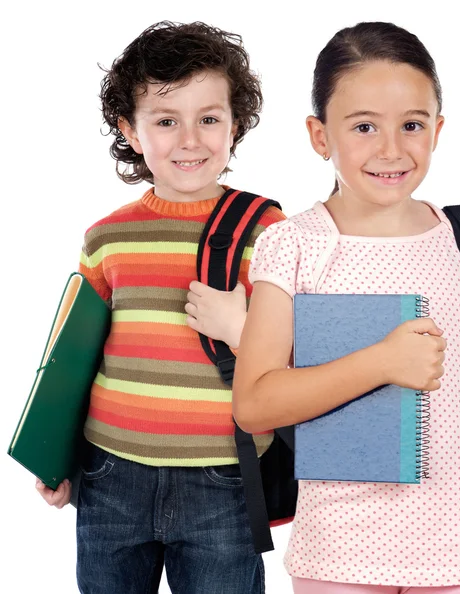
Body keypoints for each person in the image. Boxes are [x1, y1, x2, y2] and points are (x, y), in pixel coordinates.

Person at [232, 21, 460, 594]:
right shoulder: (294, 243)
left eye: (412, 125)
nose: (392, 150)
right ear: (319, 135)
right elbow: (254, 402)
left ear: (438, 130)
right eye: (364, 126)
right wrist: (382, 363)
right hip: (339, 551)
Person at [35, 20, 284, 594]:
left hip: (224, 477)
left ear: (236, 124)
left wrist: (245, 330)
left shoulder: (269, 232)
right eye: (166, 121)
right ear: (130, 129)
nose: (190, 139)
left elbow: (307, 354)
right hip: (109, 475)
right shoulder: (106, 238)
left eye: (209, 118)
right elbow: (72, 363)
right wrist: (58, 456)